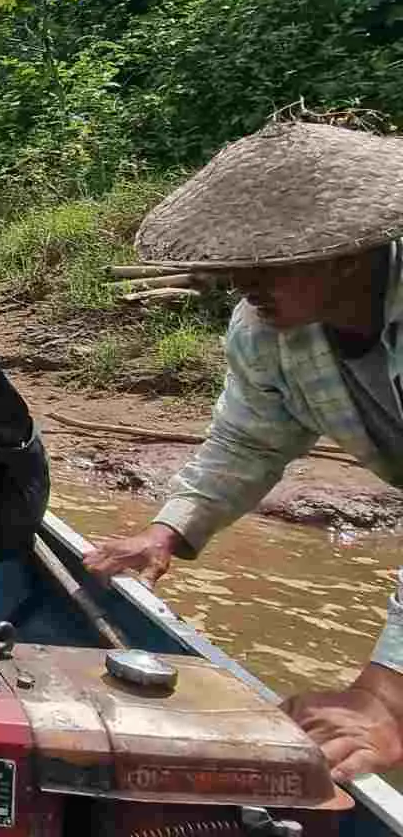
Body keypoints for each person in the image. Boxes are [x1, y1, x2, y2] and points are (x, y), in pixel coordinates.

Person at [82, 120, 403, 783]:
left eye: (266, 262)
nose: (240, 281)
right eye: (235, 263)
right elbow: (248, 438)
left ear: (346, 249)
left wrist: (386, 699)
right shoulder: (266, 334)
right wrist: (170, 528)